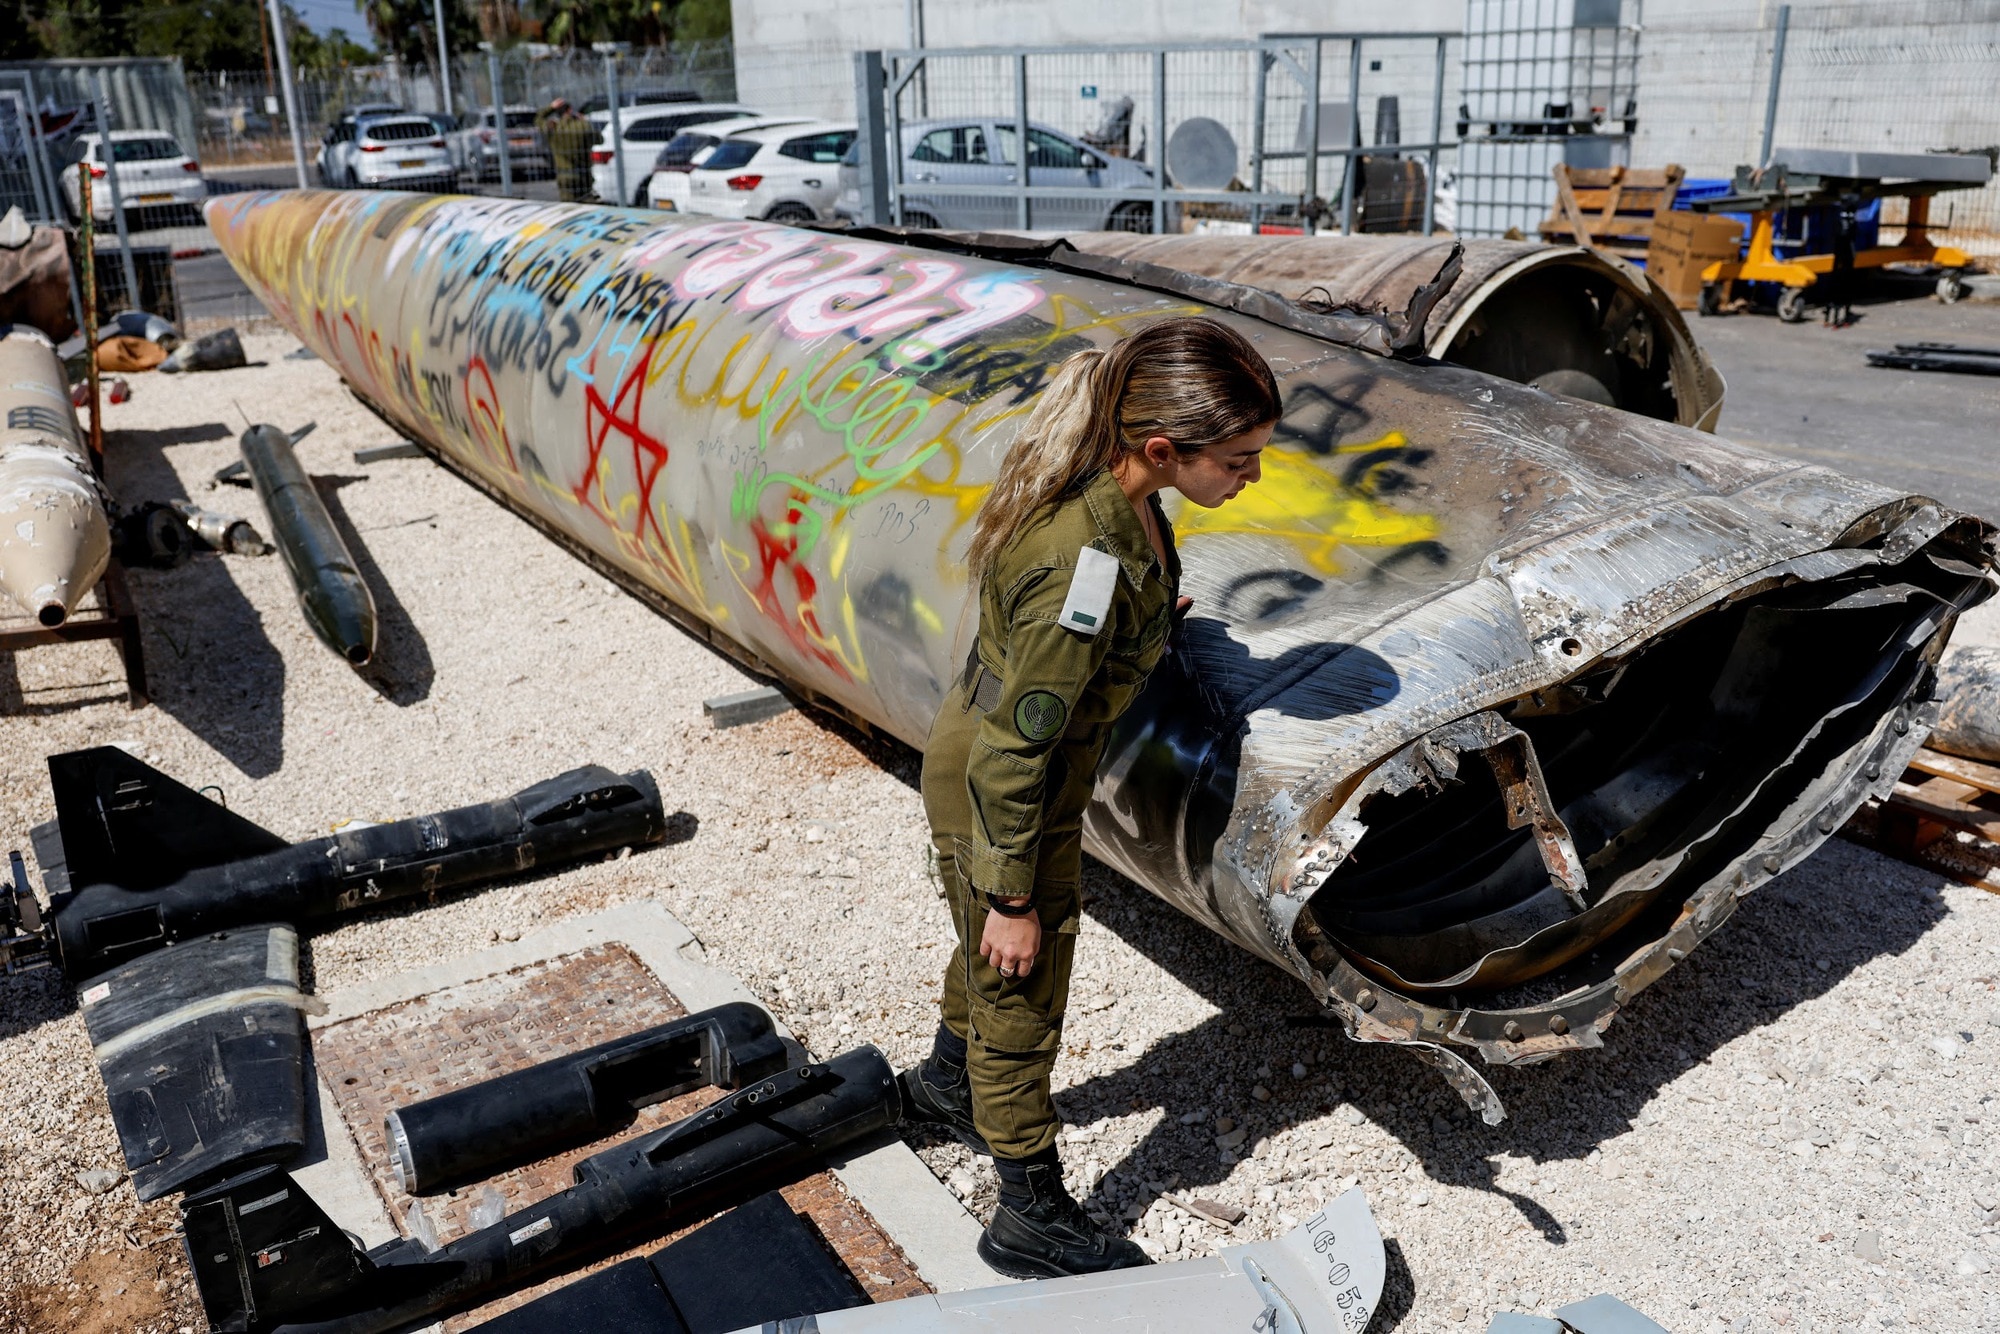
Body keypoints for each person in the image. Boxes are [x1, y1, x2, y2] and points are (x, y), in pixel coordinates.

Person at [902, 315, 1281, 1279]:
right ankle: (1028, 1208)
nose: (1252, 475)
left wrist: (1147, 624)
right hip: (1007, 791)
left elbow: (1100, 612)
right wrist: (1013, 898)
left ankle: (950, 1089)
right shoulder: (1085, 559)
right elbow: (1009, 758)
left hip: (1023, 772)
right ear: (1163, 448)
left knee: (988, 966)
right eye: (1239, 458)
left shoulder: (1123, 499)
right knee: (1020, 981)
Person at [537, 98, 595, 203]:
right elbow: (599, 139)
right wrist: (582, 121)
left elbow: (538, 119)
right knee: (587, 204)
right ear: (570, 110)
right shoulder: (583, 126)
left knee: (568, 206)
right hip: (584, 174)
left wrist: (551, 108)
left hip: (565, 175)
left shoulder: (553, 128)